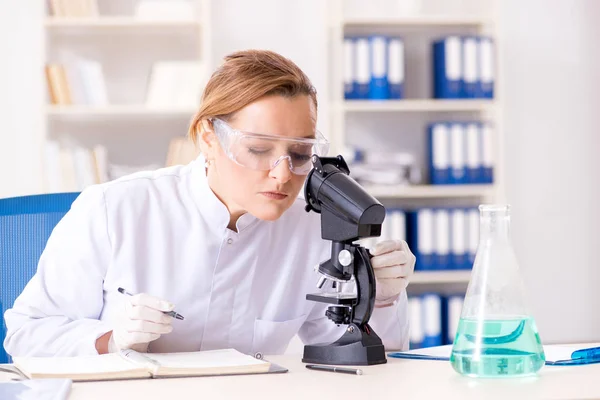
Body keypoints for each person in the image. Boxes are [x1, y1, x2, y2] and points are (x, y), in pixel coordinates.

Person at [4, 50, 415, 357]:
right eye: (257, 149)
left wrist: (379, 297)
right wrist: (112, 338)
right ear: (207, 138)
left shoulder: (313, 226)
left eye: (300, 153)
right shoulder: (117, 209)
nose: (282, 173)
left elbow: (356, 356)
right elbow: (25, 335)